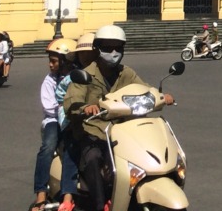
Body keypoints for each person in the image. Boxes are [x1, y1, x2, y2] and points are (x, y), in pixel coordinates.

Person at [63, 25, 174, 211]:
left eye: (118, 48)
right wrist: (85, 108)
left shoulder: (126, 73)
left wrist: (161, 97)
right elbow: (72, 101)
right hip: (94, 130)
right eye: (107, 48)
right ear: (97, 49)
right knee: (93, 157)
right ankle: (101, 205)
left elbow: (145, 88)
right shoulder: (86, 74)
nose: (113, 53)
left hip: (123, 129)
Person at [54, 33, 97, 211]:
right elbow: (62, 97)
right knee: (73, 147)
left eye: (90, 52)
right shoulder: (74, 76)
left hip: (100, 120)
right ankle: (68, 194)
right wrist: (82, 108)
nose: (86, 56)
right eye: (82, 53)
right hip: (73, 119)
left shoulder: (104, 73)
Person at [31, 38, 76, 211]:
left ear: (65, 60)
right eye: (50, 61)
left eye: (54, 61)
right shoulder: (50, 80)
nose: (50, 65)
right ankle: (41, 194)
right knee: (48, 147)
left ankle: (69, 194)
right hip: (54, 121)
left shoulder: (77, 76)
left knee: (73, 148)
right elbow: (49, 107)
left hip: (74, 120)